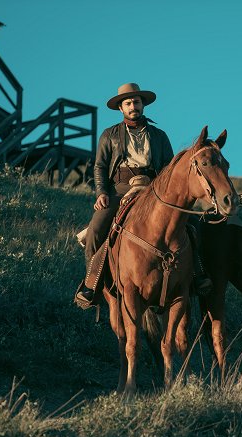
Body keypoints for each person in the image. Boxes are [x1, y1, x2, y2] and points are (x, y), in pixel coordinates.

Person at [76, 82, 174, 305]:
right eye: (128, 103)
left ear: (142, 105)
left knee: (188, 225)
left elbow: (168, 167)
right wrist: (102, 193)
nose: (133, 106)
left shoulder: (159, 135)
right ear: (121, 108)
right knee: (96, 230)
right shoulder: (109, 134)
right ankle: (92, 285)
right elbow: (100, 166)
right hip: (119, 189)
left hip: (152, 188)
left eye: (136, 102)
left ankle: (197, 276)